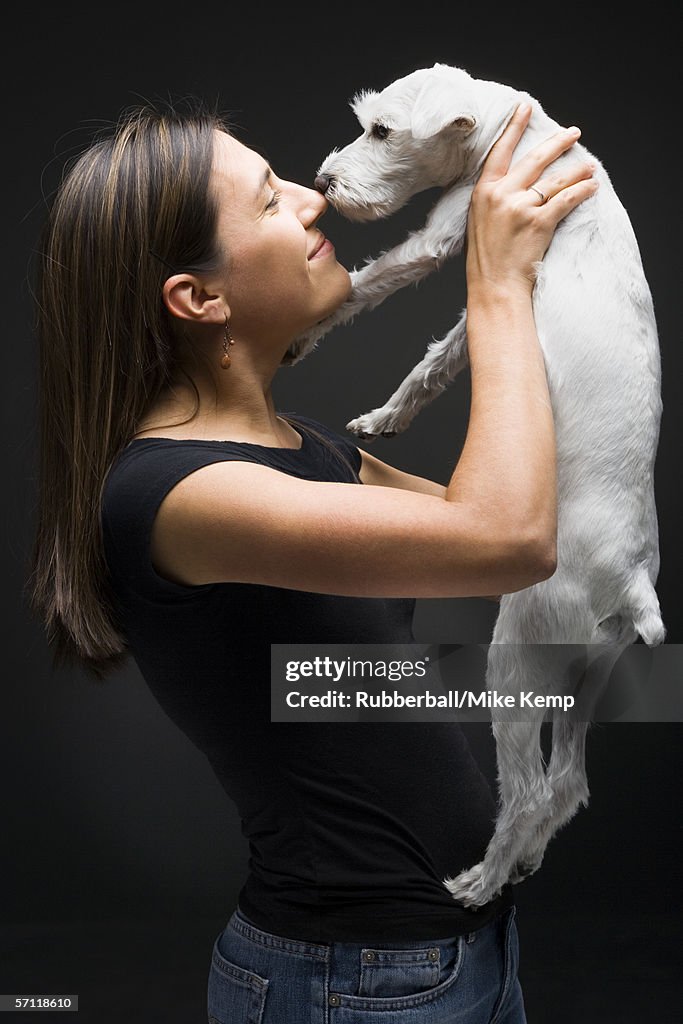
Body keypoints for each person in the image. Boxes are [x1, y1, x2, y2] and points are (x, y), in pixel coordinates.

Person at [28, 96, 597, 1023]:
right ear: (198, 298)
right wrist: (495, 284)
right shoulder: (179, 493)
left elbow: (517, 546)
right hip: (357, 983)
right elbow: (507, 538)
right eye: (266, 202)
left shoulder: (308, 451)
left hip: (457, 956)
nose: (311, 199)